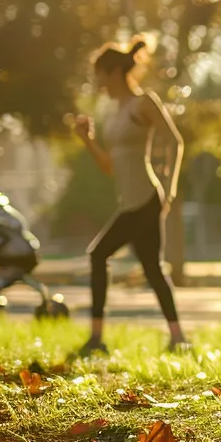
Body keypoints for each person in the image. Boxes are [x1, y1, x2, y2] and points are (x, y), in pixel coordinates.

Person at [71, 39, 187, 355]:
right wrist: (88, 140)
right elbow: (110, 166)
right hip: (131, 201)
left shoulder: (143, 103)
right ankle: (178, 338)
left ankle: (96, 338)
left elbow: (175, 143)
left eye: (101, 76)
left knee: (98, 254)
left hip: (147, 199)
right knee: (152, 268)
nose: (99, 83)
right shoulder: (115, 113)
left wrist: (169, 190)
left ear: (115, 72)